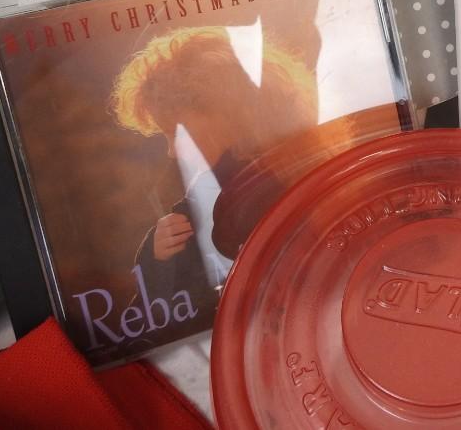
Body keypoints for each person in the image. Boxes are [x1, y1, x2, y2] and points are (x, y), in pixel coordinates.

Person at [110, 26, 319, 332]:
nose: (171, 152)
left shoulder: (265, 190)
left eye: (175, 132)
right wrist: (158, 258)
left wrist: (160, 264)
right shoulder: (205, 196)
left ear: (227, 114)